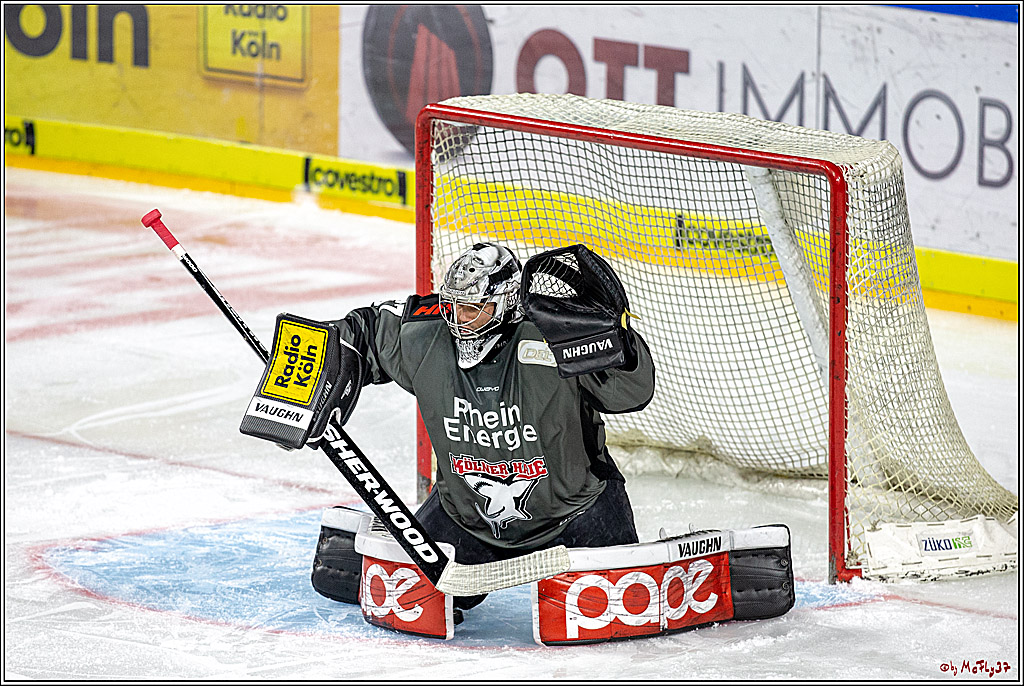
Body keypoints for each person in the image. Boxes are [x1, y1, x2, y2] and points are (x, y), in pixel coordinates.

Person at [309, 242, 656, 617]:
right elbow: (365, 331)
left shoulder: (553, 336)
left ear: (507, 303)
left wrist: (620, 344)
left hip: (577, 517)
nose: (460, 319)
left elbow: (629, 394)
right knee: (403, 599)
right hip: (467, 521)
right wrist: (314, 365)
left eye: (475, 308)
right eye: (454, 305)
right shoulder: (428, 335)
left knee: (619, 607)